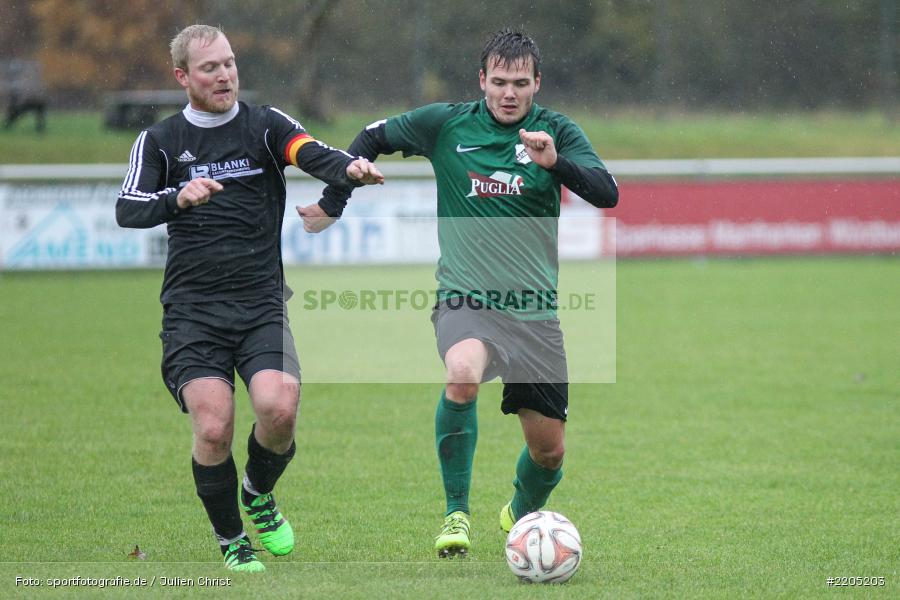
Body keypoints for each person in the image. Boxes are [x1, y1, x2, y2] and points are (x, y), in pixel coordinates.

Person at [300, 28, 618, 557]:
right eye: (499, 82)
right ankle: (455, 514)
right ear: (482, 81)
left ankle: (518, 515)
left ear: (538, 83)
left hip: (534, 314)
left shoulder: (556, 130)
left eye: (520, 83)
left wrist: (554, 164)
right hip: (465, 298)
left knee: (549, 455)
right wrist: (335, 201)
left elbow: (607, 193)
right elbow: (371, 136)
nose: (509, 93)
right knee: (462, 375)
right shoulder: (447, 123)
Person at [116, 24, 383, 572]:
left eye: (230, 63)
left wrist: (348, 170)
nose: (224, 75)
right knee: (214, 426)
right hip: (193, 313)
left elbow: (311, 152)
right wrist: (177, 197)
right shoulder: (161, 141)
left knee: (279, 408)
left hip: (260, 303)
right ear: (182, 76)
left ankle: (257, 493)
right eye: (210, 67)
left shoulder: (264, 125)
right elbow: (128, 207)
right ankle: (230, 538)